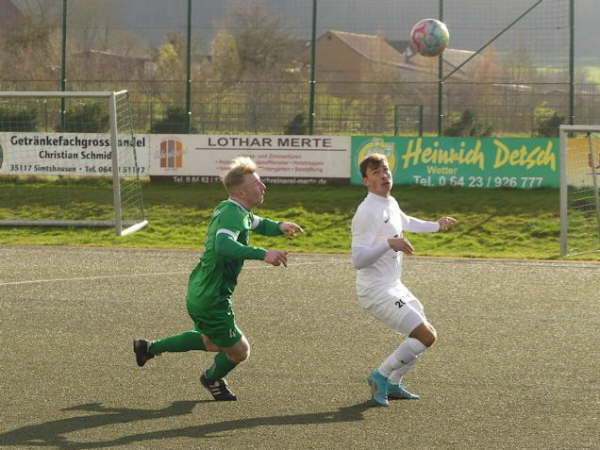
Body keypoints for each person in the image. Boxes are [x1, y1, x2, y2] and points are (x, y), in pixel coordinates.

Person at [133, 156, 303, 401]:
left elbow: (256, 223)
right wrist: (264, 254)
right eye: (257, 184)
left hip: (201, 290)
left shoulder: (234, 209)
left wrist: (279, 226)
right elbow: (223, 245)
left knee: (212, 341)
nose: (263, 187)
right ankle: (211, 378)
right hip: (212, 297)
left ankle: (148, 348)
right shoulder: (232, 214)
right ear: (242, 192)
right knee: (239, 351)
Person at [351, 153, 456, 407]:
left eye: (386, 170)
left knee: (428, 333)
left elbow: (406, 222)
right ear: (366, 181)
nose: (384, 175)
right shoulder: (366, 212)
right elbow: (358, 260)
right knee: (424, 336)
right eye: (376, 172)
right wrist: (389, 243)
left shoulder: (390, 202)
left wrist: (436, 226)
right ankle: (380, 376)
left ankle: (395, 383)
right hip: (375, 290)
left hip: (393, 285)